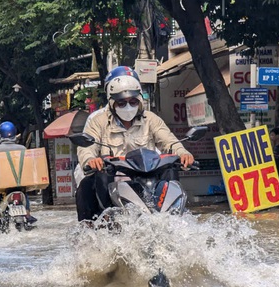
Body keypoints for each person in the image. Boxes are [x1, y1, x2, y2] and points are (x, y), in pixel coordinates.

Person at [74, 66, 195, 222]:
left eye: (132, 101)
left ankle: (176, 219)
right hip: (115, 177)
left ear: (139, 100)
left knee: (171, 171)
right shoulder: (98, 121)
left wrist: (183, 153)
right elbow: (87, 147)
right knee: (87, 184)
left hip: (148, 176)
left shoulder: (151, 119)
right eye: (122, 103)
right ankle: (97, 225)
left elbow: (169, 141)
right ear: (111, 102)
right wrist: (91, 159)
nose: (128, 106)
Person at [0, 121, 37, 224]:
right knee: (24, 194)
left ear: (1, 134)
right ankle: (27, 213)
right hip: (19, 185)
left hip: (1, 187)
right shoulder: (22, 149)